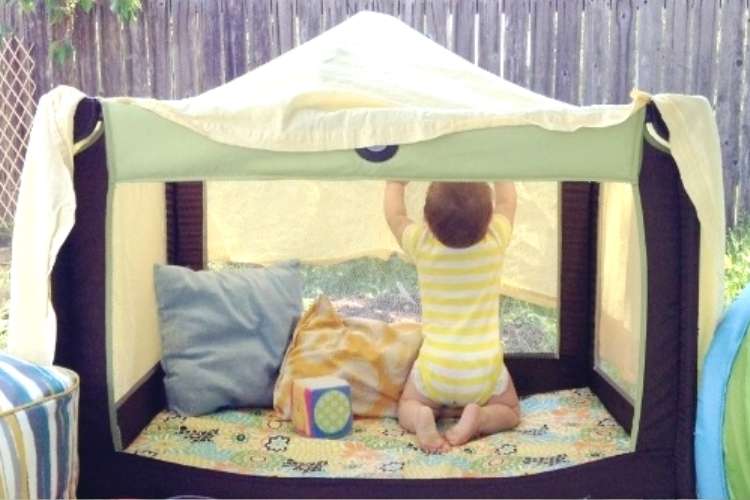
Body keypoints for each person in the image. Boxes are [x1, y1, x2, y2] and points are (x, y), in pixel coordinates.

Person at [383, 180, 520, 452]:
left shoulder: (423, 243)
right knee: (511, 411)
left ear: (426, 219)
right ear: (489, 216)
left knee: (407, 406)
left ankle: (423, 418)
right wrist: (502, 171)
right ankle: (479, 418)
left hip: (437, 365)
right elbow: (508, 203)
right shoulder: (494, 241)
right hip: (483, 366)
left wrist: (394, 182)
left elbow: (395, 217)